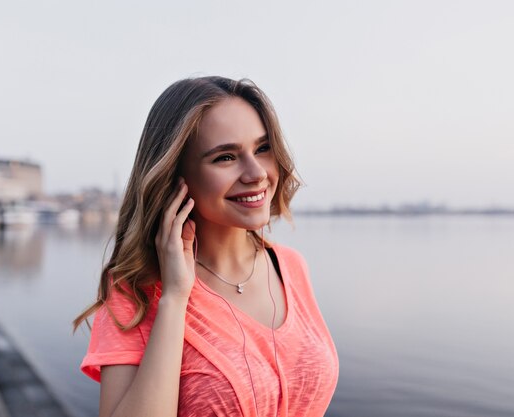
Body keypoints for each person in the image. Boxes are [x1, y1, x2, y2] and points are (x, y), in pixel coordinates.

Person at [74, 76, 339, 417]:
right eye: (226, 157)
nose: (256, 172)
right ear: (174, 175)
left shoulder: (290, 266)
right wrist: (173, 299)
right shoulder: (134, 292)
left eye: (262, 148)